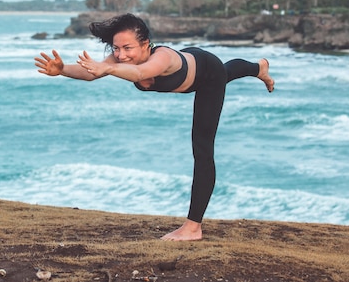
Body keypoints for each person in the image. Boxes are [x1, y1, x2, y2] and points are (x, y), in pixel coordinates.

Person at [34, 13, 274, 241]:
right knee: (229, 70)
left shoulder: (162, 57)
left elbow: (140, 72)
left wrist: (108, 67)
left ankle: (193, 227)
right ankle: (259, 67)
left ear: (146, 44)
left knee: (203, 147)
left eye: (128, 48)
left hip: (207, 74)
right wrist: (63, 69)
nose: (121, 54)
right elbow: (91, 74)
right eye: (116, 48)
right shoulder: (119, 59)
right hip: (194, 63)